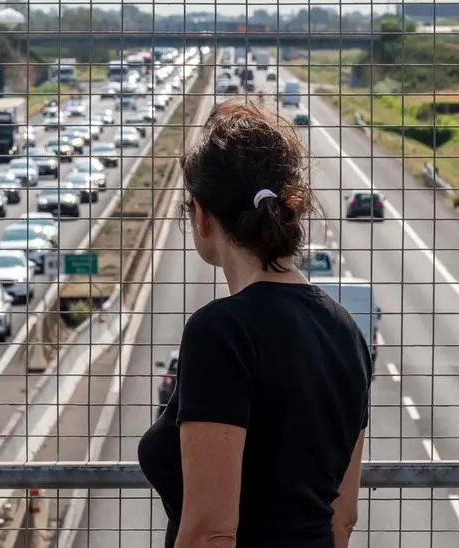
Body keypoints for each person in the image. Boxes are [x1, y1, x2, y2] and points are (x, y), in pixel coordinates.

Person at [138, 100, 372, 548]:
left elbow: (211, 533)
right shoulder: (347, 331)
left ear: (202, 214)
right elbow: (342, 519)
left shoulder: (221, 332)